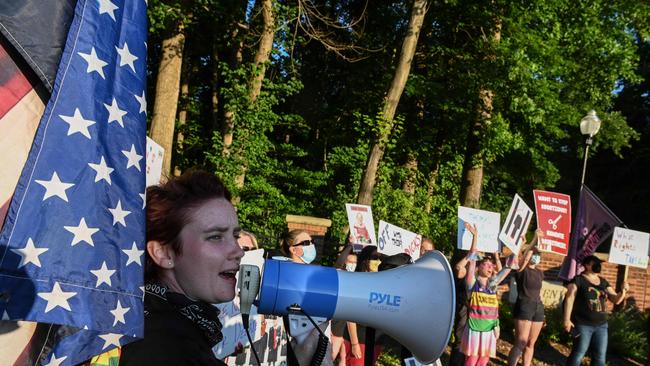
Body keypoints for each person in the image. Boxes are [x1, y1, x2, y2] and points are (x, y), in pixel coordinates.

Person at [119, 170, 244, 365]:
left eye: (235, 236)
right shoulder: (161, 347)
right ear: (163, 253)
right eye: (215, 237)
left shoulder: (156, 321)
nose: (238, 251)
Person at [461, 223, 514, 366]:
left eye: (492, 265)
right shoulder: (472, 283)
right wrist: (475, 236)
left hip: (489, 329)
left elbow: (508, 268)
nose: (491, 267)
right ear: (479, 267)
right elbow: (472, 259)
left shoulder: (492, 285)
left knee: (483, 361)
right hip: (474, 328)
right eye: (487, 264)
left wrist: (518, 246)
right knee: (471, 361)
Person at [563, 255, 629, 366]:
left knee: (600, 357)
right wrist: (566, 319)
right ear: (587, 265)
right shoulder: (578, 280)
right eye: (595, 263)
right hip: (583, 325)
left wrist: (623, 292)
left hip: (602, 326)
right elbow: (569, 298)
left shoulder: (603, 282)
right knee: (579, 353)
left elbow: (615, 300)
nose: (599, 265)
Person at [280, 230, 333, 366]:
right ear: (293, 249)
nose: (311, 245)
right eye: (306, 243)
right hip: (302, 350)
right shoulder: (288, 275)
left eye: (312, 242)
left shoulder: (310, 274)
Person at [507, 229, 544, 366]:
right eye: (534, 254)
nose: (536, 256)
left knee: (530, 343)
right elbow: (525, 259)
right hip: (524, 306)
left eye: (538, 254)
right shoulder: (521, 270)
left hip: (538, 307)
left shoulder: (540, 273)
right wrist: (534, 239)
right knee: (521, 342)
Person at [344, 245, 384, 366]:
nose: (378, 261)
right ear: (365, 259)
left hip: (376, 340)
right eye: (374, 257)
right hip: (359, 340)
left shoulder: (383, 281)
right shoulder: (357, 281)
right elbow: (350, 315)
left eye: (380, 257)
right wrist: (355, 344)